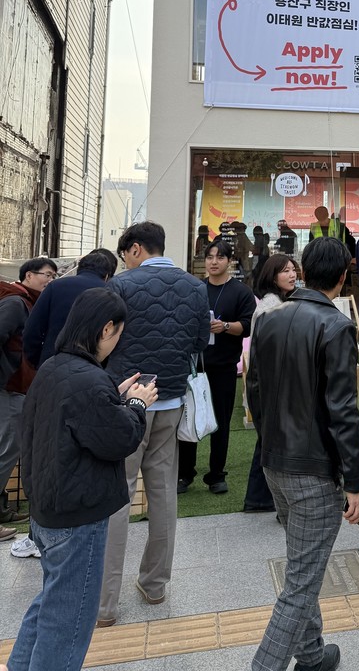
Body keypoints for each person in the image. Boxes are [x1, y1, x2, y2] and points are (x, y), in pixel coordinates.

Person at [7, 288, 157, 671]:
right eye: (119, 332)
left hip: (48, 509)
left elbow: (82, 419)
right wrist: (136, 404)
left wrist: (113, 397)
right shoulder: (88, 380)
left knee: (50, 603)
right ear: (107, 329)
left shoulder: (55, 367)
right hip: (77, 518)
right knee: (69, 622)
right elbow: (119, 439)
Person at [245, 237, 359, 671]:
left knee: (303, 565)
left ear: (303, 271)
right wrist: (355, 483)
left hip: (275, 461)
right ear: (343, 276)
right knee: (300, 583)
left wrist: (269, 442)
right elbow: (343, 412)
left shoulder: (269, 318)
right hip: (313, 471)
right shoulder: (335, 326)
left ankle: (312, 656)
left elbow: (254, 391)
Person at [97, 221, 210, 627]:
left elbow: (103, 340)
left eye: (126, 253)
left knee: (118, 494)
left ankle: (105, 604)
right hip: (172, 399)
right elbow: (200, 342)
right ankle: (155, 584)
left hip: (128, 400)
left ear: (136, 249)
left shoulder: (121, 286)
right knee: (162, 492)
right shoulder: (195, 287)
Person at [177, 238, 256, 495]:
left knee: (220, 421)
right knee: (189, 417)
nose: (214, 262)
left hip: (223, 366)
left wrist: (224, 326)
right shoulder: (195, 288)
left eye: (220, 257)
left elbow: (247, 326)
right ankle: (184, 473)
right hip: (194, 365)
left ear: (229, 261)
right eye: (210, 257)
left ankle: (216, 475)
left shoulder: (241, 292)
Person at [0, 257, 58, 544]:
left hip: (16, 386)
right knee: (7, 449)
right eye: (46, 274)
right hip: (10, 387)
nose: (50, 280)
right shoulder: (16, 302)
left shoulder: (28, 302)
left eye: (53, 276)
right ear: (28, 275)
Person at [243, 254, 298, 513]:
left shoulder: (281, 302)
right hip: (269, 386)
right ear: (272, 276)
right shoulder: (270, 307)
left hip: (269, 384)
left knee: (267, 442)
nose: (292, 274)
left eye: (293, 269)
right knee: (269, 442)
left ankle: (259, 499)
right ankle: (260, 499)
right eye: (285, 271)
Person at [24, 250, 117, 369]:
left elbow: (32, 329)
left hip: (51, 363)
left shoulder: (55, 286)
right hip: (91, 367)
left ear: (79, 269)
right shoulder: (110, 293)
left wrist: (36, 359)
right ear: (107, 276)